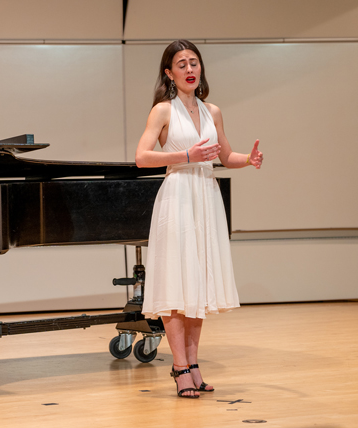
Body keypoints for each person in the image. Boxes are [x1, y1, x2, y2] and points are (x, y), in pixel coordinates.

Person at [135, 40, 263, 399]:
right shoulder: (162, 111)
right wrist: (186, 153)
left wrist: (248, 160)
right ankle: (178, 366)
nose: (190, 69)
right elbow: (142, 157)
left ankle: (193, 364)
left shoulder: (213, 110)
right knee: (178, 284)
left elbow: (224, 154)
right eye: (182, 64)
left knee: (197, 286)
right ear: (169, 73)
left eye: (194, 62)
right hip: (178, 195)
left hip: (205, 195)